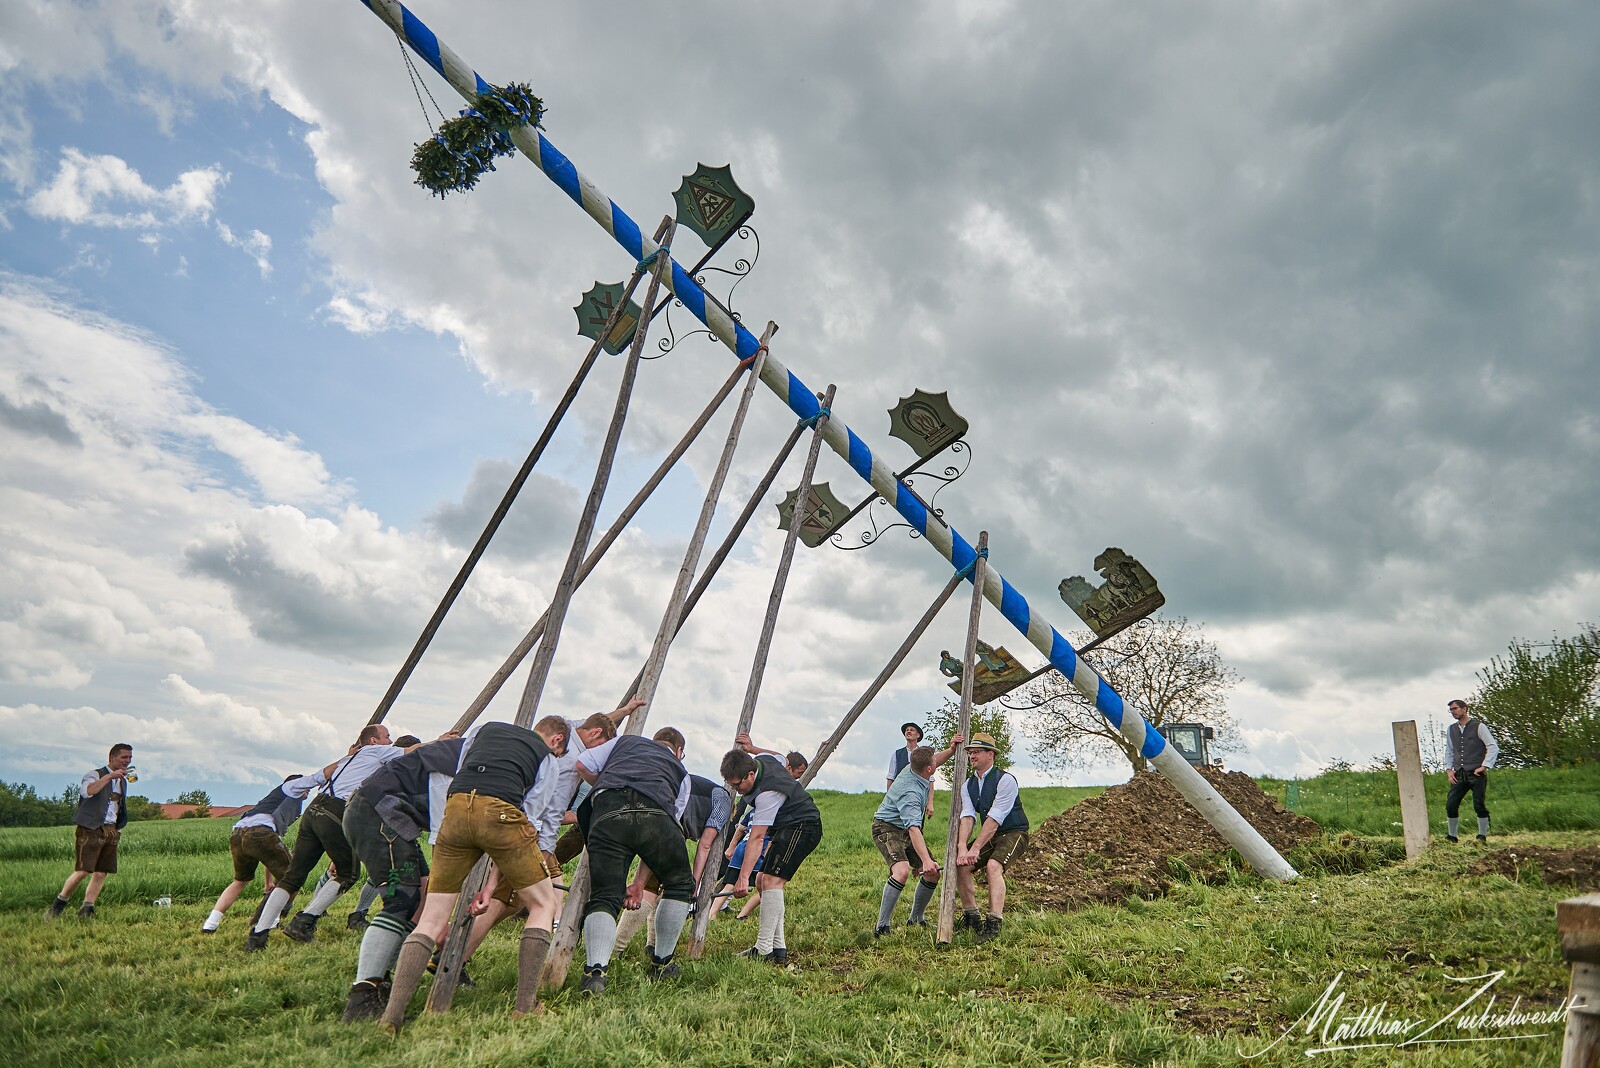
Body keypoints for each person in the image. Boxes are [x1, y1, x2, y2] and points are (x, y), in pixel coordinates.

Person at [379, 716, 570, 1031]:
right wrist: (494, 884)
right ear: (557, 740)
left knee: (431, 918)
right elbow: (530, 818)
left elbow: (461, 769)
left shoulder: (484, 730)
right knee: (542, 905)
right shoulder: (547, 758)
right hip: (503, 814)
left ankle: (392, 1016)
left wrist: (488, 885)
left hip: (454, 813)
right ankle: (525, 1007)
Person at [339, 733, 469, 1022]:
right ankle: (362, 995)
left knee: (421, 898)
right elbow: (441, 827)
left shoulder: (460, 754)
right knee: (403, 899)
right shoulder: (452, 763)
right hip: (377, 816)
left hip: (386, 818)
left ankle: (382, 981)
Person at [246, 724, 406, 950]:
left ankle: (258, 935)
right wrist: (441, 741)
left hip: (314, 808)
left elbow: (326, 773)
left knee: (292, 877)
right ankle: (304, 921)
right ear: (373, 741)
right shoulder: (376, 752)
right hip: (336, 810)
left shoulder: (349, 760)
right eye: (387, 737)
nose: (390, 741)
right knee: (348, 873)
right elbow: (411, 751)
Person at [572, 725, 695, 995]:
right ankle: (661, 964)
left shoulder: (624, 742)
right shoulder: (680, 772)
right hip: (656, 812)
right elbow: (670, 819)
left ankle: (596, 971)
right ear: (679, 752)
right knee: (678, 884)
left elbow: (582, 764)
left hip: (609, 811)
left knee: (604, 895)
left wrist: (604, 784)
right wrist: (641, 882)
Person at [615, 738, 734, 956]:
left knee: (659, 885)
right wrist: (694, 882)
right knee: (652, 889)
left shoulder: (699, 784)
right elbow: (705, 845)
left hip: (645, 815)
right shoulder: (723, 801)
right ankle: (617, 948)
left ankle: (652, 945)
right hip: (668, 825)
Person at [721, 740, 824, 966]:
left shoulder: (767, 794)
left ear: (750, 775)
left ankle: (764, 949)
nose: (737, 791)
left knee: (771, 881)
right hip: (786, 826)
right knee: (761, 880)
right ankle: (778, 949)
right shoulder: (764, 761)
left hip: (803, 825)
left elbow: (756, 838)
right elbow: (781, 757)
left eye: (738, 786)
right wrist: (753, 749)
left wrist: (741, 879)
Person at [201, 772, 317, 932]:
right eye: (304, 787)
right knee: (293, 877)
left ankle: (210, 924)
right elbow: (267, 839)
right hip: (260, 833)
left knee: (240, 881)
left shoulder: (273, 801)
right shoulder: (289, 793)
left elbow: (269, 854)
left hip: (237, 834)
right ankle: (272, 921)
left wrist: (267, 882)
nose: (307, 790)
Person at [871, 734, 962, 936]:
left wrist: (952, 750)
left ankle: (916, 918)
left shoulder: (915, 767)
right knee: (901, 871)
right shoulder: (910, 793)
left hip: (905, 828)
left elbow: (935, 759)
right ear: (928, 770)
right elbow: (913, 829)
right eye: (933, 764)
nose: (935, 763)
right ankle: (882, 926)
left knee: (932, 873)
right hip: (887, 828)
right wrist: (925, 859)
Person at [46, 743, 134, 920]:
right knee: (83, 870)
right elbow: (88, 791)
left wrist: (119, 827)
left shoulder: (123, 780)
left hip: (111, 829)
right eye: (124, 757)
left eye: (130, 758)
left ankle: (87, 909)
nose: (128, 761)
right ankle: (58, 905)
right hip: (90, 828)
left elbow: (117, 806)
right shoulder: (94, 774)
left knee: (102, 871)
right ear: (112, 757)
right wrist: (109, 777)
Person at [954, 732, 1028, 942]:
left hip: (1014, 832)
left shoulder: (1005, 780)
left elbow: (995, 818)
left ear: (991, 755)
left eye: (977, 752)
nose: (972, 756)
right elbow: (968, 816)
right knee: (961, 866)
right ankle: (972, 917)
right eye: (970, 753)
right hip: (991, 835)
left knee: (993, 866)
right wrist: (962, 848)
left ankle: (994, 923)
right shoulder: (968, 785)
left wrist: (975, 848)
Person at [1444, 698, 1500, 844]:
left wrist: (1485, 765)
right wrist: (1449, 770)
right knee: (1451, 804)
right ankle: (1452, 836)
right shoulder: (1451, 729)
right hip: (1458, 773)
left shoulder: (1479, 727)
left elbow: (1493, 746)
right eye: (1451, 710)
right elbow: (1449, 751)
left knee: (1478, 805)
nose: (1453, 712)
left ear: (1464, 709)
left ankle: (1482, 836)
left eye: (1455, 709)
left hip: (1476, 773)